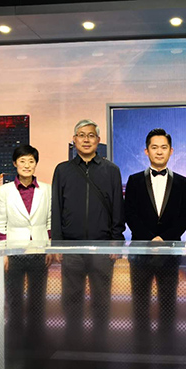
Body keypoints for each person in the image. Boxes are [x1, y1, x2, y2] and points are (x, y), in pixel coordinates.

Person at [51, 119, 125, 350]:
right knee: (71, 298)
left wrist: (116, 241)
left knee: (101, 299)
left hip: (102, 247)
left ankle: (100, 344)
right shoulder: (62, 170)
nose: (86, 139)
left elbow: (118, 207)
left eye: (91, 135)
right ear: (74, 140)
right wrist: (58, 244)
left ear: (98, 140)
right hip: (71, 248)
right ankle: (73, 343)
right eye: (81, 135)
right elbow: (56, 208)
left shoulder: (111, 170)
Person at [125, 128, 186, 352]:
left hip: (170, 252)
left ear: (171, 151)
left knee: (168, 302)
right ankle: (140, 348)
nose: (159, 151)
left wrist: (164, 239)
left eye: (164, 147)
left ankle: (167, 347)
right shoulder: (134, 180)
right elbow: (130, 214)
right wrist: (150, 238)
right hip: (140, 253)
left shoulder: (182, 182)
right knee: (140, 303)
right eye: (154, 147)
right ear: (146, 151)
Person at [0, 144, 52, 349]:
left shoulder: (46, 189)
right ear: (15, 163)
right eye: (22, 161)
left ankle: (36, 343)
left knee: (38, 300)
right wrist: (3, 253)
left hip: (39, 252)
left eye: (31, 161)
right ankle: (14, 343)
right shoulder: (4, 191)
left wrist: (48, 249)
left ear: (36, 164)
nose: (27, 165)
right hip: (13, 253)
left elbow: (49, 222)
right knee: (14, 300)